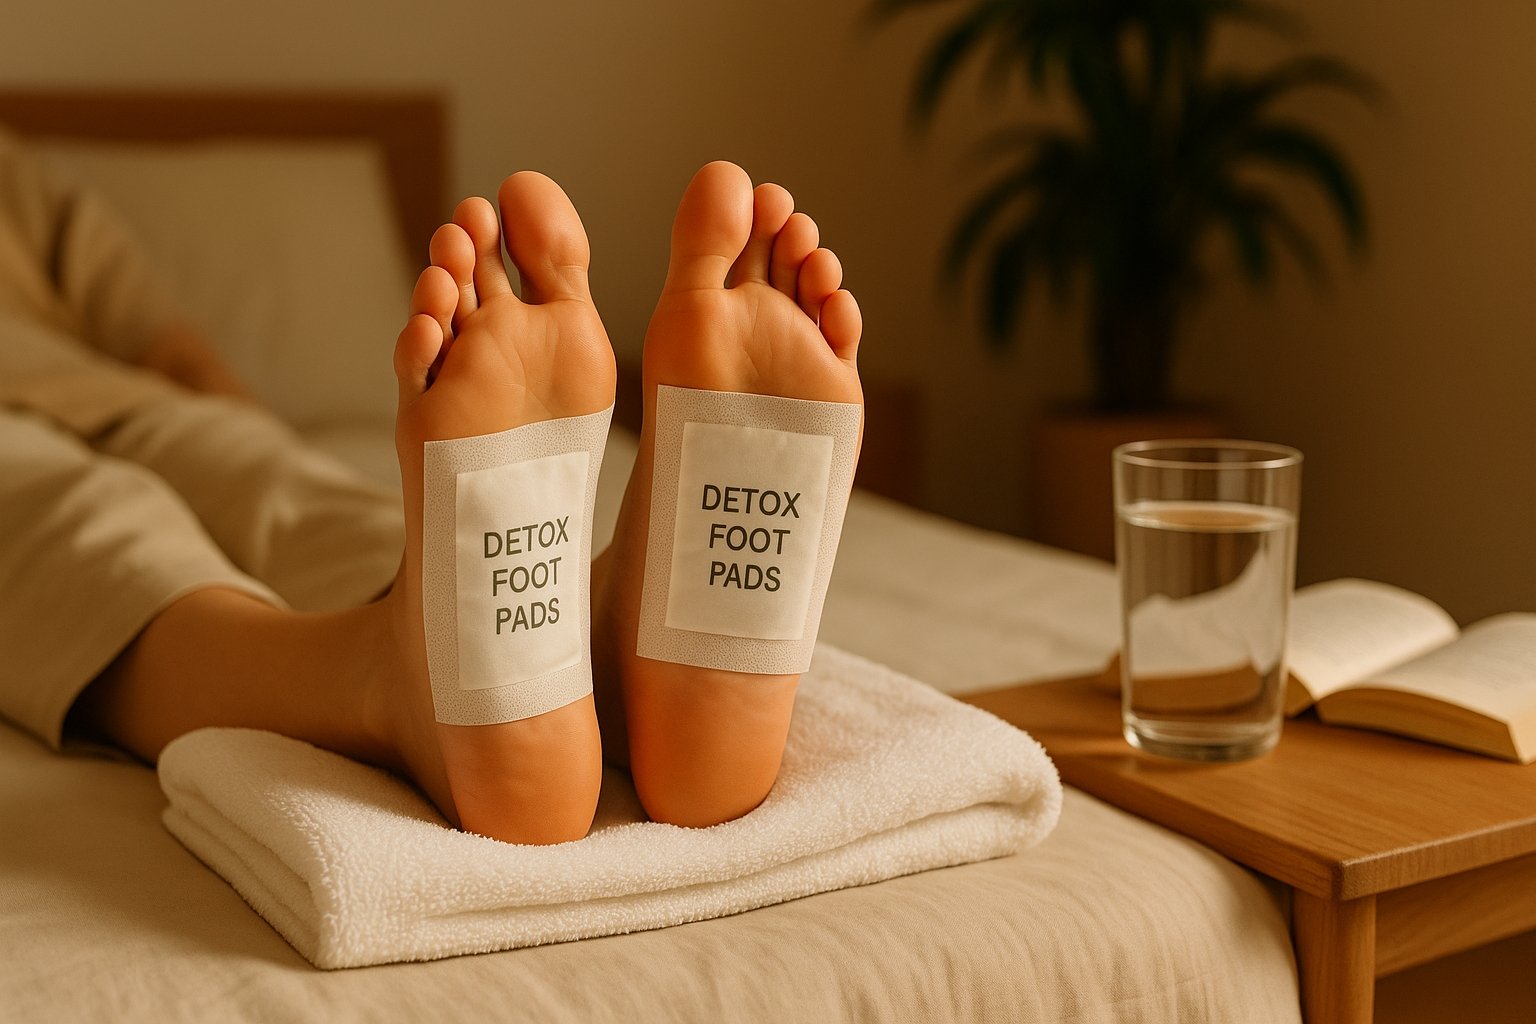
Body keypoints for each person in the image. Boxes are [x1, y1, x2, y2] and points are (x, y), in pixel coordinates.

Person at [0, 128, 865, 846]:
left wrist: (255, 439)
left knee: (305, 499)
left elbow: (169, 352)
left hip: (146, 408)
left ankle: (563, 634)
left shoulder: (19, 181)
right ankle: (392, 674)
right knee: (95, 526)